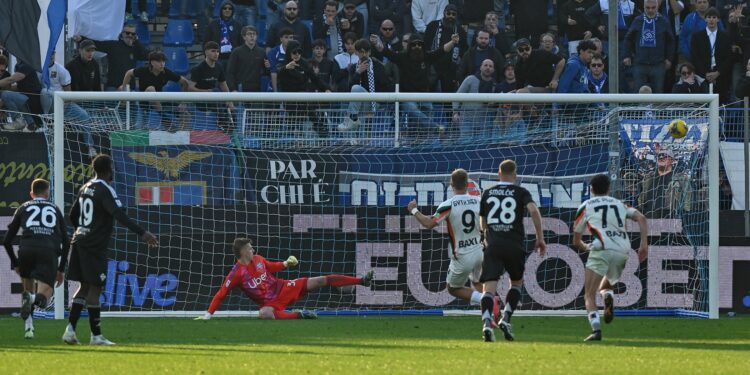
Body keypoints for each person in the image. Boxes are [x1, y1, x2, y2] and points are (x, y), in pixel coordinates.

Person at [63, 154, 159, 345]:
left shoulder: (85, 187)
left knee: (84, 286)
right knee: (95, 288)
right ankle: (96, 336)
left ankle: (70, 331)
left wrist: (82, 231)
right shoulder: (105, 189)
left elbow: (72, 215)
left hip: (79, 241)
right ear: (108, 169)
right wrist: (143, 233)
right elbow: (118, 214)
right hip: (93, 245)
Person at [195, 237, 374, 320]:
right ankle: (300, 315)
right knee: (264, 314)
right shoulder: (236, 273)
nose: (253, 250)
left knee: (320, 280)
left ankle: (361, 281)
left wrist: (286, 263)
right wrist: (208, 315)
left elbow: (271, 267)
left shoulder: (258, 259)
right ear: (242, 252)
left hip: (284, 287)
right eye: (250, 248)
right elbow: (222, 292)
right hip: (271, 303)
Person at [573, 173, 648, 341]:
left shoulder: (586, 205)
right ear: (609, 189)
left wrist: (586, 247)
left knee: (589, 295)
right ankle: (608, 296)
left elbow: (576, 240)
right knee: (606, 284)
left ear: (591, 190)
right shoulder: (620, 204)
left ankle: (596, 330)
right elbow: (641, 218)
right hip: (622, 248)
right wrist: (644, 244)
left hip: (602, 247)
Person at [478, 160, 546, 342]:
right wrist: (540, 238)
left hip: (493, 244)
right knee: (516, 283)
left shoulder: (488, 192)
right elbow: (533, 211)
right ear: (515, 175)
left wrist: (486, 237)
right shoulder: (521, 192)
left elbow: (482, 221)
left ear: (498, 173)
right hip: (514, 244)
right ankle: (506, 318)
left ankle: (486, 323)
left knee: (488, 288)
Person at [406, 169, 485, 308]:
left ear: (451, 184)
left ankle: (487, 300)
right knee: (478, 283)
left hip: (462, 255)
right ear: (467, 184)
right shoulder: (479, 201)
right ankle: (490, 316)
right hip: (480, 252)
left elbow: (428, 224)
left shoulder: (448, 205)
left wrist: (414, 210)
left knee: (452, 288)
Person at [3, 179, 69, 339]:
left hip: (26, 249)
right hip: (47, 251)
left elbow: (6, 240)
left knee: (27, 288)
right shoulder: (54, 208)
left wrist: (16, 263)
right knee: (45, 294)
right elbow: (66, 242)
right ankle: (33, 299)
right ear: (47, 193)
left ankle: (29, 328)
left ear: (31, 194)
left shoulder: (23, 207)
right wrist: (61, 269)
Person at [278, 40, 331, 137]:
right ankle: (316, 125)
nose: (297, 54)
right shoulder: (283, 64)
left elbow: (315, 79)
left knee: (306, 101)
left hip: (303, 97)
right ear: (289, 52)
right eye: (294, 52)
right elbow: (278, 74)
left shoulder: (305, 63)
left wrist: (326, 89)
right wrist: (286, 68)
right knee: (304, 103)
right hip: (289, 99)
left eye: (299, 52)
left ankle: (317, 126)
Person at [338, 39, 394, 132]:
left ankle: (352, 119)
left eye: (366, 52)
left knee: (356, 90)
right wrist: (358, 73)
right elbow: (349, 89)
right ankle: (354, 121)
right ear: (356, 52)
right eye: (361, 52)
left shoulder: (378, 66)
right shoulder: (353, 68)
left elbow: (386, 85)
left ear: (370, 52)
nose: (364, 55)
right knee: (355, 89)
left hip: (376, 102)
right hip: (359, 103)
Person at [623, 0, 675, 93]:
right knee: (638, 92)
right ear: (644, 8)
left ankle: (657, 108)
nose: (650, 10)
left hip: (658, 64)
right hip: (640, 63)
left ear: (657, 7)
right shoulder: (637, 20)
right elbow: (628, 39)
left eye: (653, 8)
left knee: (658, 92)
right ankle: (639, 108)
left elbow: (670, 41)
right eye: (648, 8)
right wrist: (627, 55)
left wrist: (669, 58)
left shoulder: (664, 21)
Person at [189, 41, 235, 133]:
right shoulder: (198, 68)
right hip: (200, 101)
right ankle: (222, 123)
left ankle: (233, 130)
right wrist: (206, 92)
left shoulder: (219, 66)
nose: (216, 54)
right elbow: (190, 88)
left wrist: (229, 100)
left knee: (231, 106)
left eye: (217, 51)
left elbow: (223, 84)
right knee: (216, 93)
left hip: (213, 97)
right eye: (213, 51)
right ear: (206, 52)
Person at [89, 23, 150, 91]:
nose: (130, 35)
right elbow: (97, 44)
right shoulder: (114, 45)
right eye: (127, 33)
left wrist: (137, 42)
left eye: (133, 34)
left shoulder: (136, 48)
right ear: (122, 33)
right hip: (113, 86)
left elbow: (147, 56)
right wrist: (81, 39)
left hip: (130, 87)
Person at [690, 7, 732, 103]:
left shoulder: (725, 37)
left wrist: (718, 73)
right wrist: (706, 74)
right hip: (703, 76)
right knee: (703, 105)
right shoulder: (697, 36)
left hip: (721, 76)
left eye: (714, 17)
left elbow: (729, 57)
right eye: (709, 17)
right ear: (705, 19)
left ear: (718, 19)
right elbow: (695, 57)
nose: (711, 20)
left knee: (721, 104)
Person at [424, 4, 468, 92]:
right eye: (448, 13)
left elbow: (464, 49)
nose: (451, 16)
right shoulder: (433, 25)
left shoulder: (460, 30)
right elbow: (425, 44)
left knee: (448, 96)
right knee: (429, 92)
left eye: (453, 14)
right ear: (444, 13)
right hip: (433, 64)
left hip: (450, 68)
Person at [453, 59, 499, 142]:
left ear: (493, 70)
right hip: (466, 120)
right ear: (480, 67)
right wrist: (455, 112)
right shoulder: (470, 79)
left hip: (484, 122)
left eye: (490, 66)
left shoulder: (494, 84)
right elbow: (457, 96)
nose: (488, 68)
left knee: (482, 148)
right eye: (485, 65)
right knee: (465, 145)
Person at [226, 25, 271, 92]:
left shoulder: (261, 52)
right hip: (240, 88)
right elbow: (230, 72)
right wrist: (233, 89)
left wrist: (268, 67)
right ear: (244, 37)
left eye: (254, 34)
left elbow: (266, 73)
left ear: (256, 37)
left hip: (256, 88)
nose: (252, 36)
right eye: (249, 34)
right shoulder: (236, 52)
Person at [205, 0, 244, 67]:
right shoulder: (213, 24)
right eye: (224, 8)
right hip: (216, 59)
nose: (227, 10)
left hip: (233, 59)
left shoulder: (238, 25)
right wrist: (207, 57)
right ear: (221, 10)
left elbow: (241, 43)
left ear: (232, 11)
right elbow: (206, 42)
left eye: (230, 8)